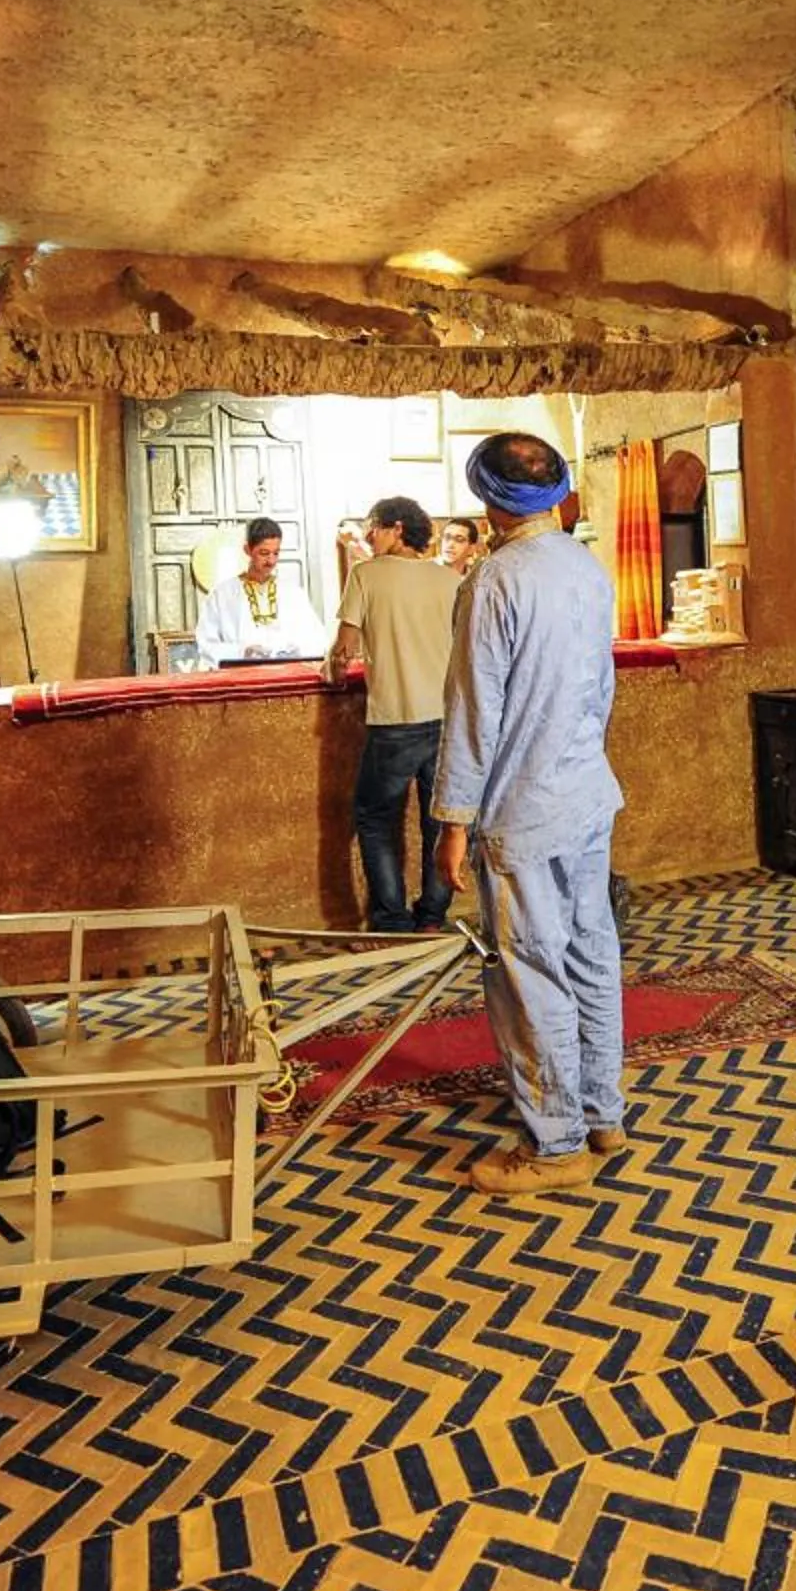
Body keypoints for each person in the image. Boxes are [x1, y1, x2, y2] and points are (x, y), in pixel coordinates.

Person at [432, 433, 628, 1196]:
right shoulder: (586, 566)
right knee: (591, 950)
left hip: (522, 806)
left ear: (486, 496)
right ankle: (604, 1114)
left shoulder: (493, 581)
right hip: (586, 791)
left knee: (529, 971)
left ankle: (555, 1147)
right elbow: (600, 692)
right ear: (558, 490)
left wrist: (453, 819)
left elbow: (473, 714)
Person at [324, 496, 463, 932]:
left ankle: (390, 920)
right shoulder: (450, 581)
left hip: (394, 722)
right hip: (446, 720)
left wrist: (330, 666)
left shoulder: (365, 576)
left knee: (375, 820)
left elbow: (342, 653)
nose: (368, 537)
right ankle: (433, 917)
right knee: (439, 820)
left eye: (375, 528)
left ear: (397, 528)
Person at [192, 517, 327, 663]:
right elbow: (206, 645)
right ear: (247, 550)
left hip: (287, 674)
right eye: (264, 553)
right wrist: (242, 651)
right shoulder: (221, 595)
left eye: (276, 553)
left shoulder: (293, 593)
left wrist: (294, 649)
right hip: (242, 678)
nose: (271, 561)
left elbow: (318, 639)